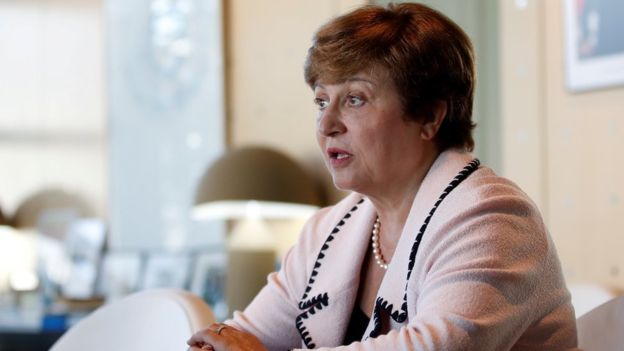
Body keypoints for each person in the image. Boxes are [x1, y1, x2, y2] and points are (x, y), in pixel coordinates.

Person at [188, 3, 578, 350]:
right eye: (321, 101)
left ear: (429, 116)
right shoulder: (326, 231)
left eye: (355, 99)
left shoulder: (494, 219)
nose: (326, 124)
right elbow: (237, 337)